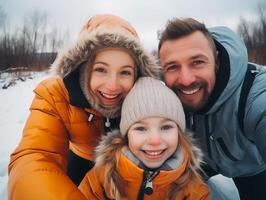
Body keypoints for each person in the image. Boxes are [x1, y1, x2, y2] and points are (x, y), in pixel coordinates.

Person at [8, 14, 160, 200]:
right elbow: (35, 157)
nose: (112, 86)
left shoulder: (147, 97)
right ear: (83, 67)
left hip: (125, 163)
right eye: (101, 69)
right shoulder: (56, 93)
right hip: (80, 156)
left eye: (125, 72)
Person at [158, 17, 266, 200]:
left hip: (255, 168)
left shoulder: (255, 96)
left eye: (197, 62)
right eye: (172, 67)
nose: (186, 79)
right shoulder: (169, 97)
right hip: (208, 160)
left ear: (216, 60)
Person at [79, 77, 210, 200]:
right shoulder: (100, 179)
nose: (155, 141)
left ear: (179, 133)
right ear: (126, 135)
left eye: (166, 127)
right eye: (141, 129)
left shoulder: (194, 189)